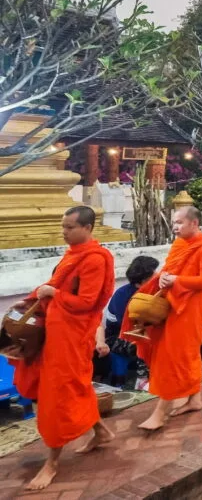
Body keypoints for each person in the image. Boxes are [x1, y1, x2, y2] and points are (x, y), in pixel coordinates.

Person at [10, 207, 116, 490]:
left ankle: (52, 462)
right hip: (54, 333)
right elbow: (56, 284)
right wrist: (32, 299)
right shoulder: (72, 254)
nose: (64, 232)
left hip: (72, 337)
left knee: (58, 395)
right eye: (63, 226)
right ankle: (102, 432)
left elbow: (88, 302)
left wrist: (54, 294)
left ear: (88, 228)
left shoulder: (94, 259)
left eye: (70, 227)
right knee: (75, 388)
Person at [121, 206, 202, 431]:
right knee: (187, 355)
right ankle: (194, 399)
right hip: (172, 305)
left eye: (180, 222)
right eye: (174, 222)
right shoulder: (179, 245)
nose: (175, 226)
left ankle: (160, 412)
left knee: (174, 357)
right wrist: (165, 277)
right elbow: (170, 269)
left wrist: (176, 280)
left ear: (194, 223)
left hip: (191, 309)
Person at [94, 255, 158, 387]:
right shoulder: (123, 296)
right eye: (154, 274)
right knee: (145, 342)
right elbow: (129, 327)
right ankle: (141, 378)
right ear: (142, 281)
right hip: (117, 338)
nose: (157, 275)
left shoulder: (154, 291)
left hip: (142, 332)